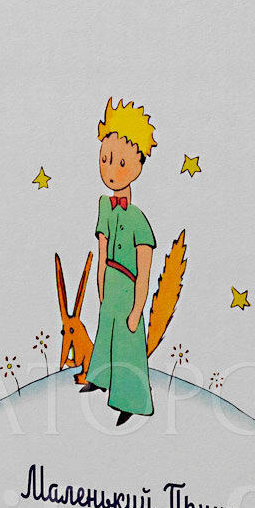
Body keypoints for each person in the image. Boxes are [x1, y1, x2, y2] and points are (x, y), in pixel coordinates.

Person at [82, 98, 157, 424]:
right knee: (106, 333)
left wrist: (138, 307)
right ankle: (99, 377)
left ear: (139, 163)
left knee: (127, 339)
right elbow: (102, 249)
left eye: (121, 162)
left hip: (128, 287)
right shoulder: (104, 206)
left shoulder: (139, 220)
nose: (111, 170)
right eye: (105, 159)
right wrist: (100, 283)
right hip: (110, 285)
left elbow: (145, 269)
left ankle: (131, 399)